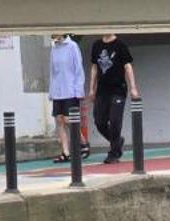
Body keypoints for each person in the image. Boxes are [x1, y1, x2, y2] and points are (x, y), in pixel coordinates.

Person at [90, 34, 139, 163]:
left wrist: (133, 87)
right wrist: (91, 88)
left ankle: (114, 152)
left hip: (118, 89)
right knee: (99, 122)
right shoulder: (96, 45)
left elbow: (128, 66)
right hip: (102, 90)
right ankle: (117, 140)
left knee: (115, 120)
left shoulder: (120, 45)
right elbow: (94, 67)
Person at [47, 34, 86, 163]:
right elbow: (52, 71)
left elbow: (78, 69)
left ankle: (83, 143)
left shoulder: (72, 46)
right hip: (58, 90)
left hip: (70, 89)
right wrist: (51, 91)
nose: (53, 35)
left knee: (69, 120)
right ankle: (65, 152)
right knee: (59, 120)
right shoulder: (54, 48)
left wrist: (79, 89)